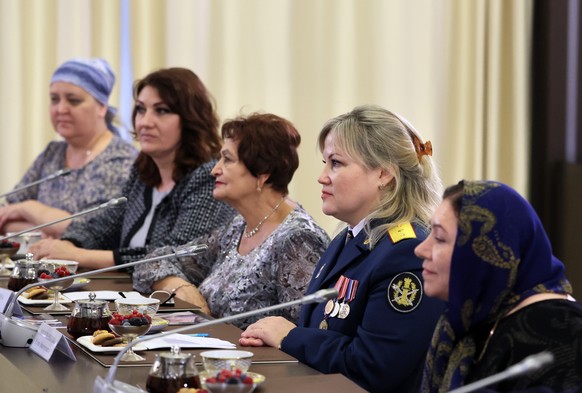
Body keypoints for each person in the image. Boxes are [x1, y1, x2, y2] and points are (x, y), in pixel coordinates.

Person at [239, 105, 446, 392]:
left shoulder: (407, 252)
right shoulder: (349, 237)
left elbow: (372, 368)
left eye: (336, 163)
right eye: (325, 162)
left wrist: (290, 337)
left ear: (383, 174)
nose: (322, 176)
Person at [132, 112, 330, 328]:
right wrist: (178, 286)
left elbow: (303, 333)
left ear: (263, 174)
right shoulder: (239, 227)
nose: (215, 170)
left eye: (227, 159)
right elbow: (151, 262)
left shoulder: (298, 240)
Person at [29, 68, 236, 269]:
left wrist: (78, 255)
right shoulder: (143, 172)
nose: (145, 122)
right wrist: (67, 244)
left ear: (191, 119)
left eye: (161, 111)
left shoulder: (209, 177)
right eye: (140, 109)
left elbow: (174, 256)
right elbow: (104, 226)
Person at [415, 180, 582, 393]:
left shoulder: (565, 332)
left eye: (439, 238)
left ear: (482, 252)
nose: (420, 249)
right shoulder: (471, 321)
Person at [0, 58, 137, 238]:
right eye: (54, 99)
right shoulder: (53, 153)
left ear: (101, 107)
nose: (60, 109)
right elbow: (5, 214)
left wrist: (30, 208)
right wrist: (49, 229)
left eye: (73, 101)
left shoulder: (121, 159)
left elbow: (89, 234)